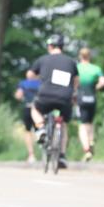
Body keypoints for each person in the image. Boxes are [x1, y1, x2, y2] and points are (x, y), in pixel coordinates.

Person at [28, 35, 79, 169]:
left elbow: (30, 75)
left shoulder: (43, 60)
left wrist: (41, 76)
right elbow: (76, 80)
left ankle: (41, 129)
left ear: (50, 46)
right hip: (65, 97)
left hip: (45, 96)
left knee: (35, 109)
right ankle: (62, 155)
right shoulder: (71, 62)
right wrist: (73, 92)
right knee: (63, 123)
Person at [76, 48, 104, 162]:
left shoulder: (77, 68)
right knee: (90, 122)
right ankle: (91, 140)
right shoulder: (95, 68)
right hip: (92, 98)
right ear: (89, 56)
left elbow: (73, 81)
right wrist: (96, 87)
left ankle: (87, 150)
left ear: (80, 56)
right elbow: (103, 81)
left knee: (82, 125)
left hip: (81, 99)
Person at [14, 74, 41, 164]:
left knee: (28, 131)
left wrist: (22, 98)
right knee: (40, 129)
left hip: (28, 108)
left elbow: (18, 95)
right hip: (39, 109)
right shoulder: (41, 82)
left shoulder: (24, 83)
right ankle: (45, 152)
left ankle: (31, 155)